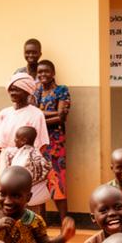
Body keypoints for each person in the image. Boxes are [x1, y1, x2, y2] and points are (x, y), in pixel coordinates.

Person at [0, 73, 49, 192]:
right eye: (11, 90)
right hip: (6, 165)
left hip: (27, 164)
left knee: (30, 200)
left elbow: (41, 147)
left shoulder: (36, 114)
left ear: (27, 91)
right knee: (7, 200)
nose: (12, 93)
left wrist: (35, 170)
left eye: (17, 90)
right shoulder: (4, 114)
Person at [33, 58, 70, 218]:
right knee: (39, 179)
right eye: (40, 72)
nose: (43, 74)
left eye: (46, 71)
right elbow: (33, 112)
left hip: (55, 143)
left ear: (53, 73)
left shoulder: (62, 90)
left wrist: (39, 115)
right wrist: (53, 114)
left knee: (58, 180)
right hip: (39, 142)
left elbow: (62, 118)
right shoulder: (37, 91)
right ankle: (42, 221)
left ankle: (64, 221)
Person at [3, 125, 50, 211]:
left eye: (17, 138)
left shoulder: (23, 157)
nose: (14, 140)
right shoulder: (37, 153)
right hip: (40, 197)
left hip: (26, 199)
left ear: (24, 141)